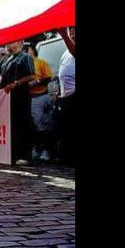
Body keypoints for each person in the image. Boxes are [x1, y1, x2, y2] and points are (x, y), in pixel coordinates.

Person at [0, 40, 37, 165]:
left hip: (21, 95)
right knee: (12, 125)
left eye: (11, 42)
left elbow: (32, 76)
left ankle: (25, 155)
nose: (8, 44)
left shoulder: (25, 57)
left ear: (20, 42)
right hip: (9, 98)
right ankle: (13, 154)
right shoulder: (8, 60)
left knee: (23, 123)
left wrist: (16, 83)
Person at [26, 43, 54, 162]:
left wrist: (37, 82)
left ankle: (47, 149)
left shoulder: (40, 62)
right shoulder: (26, 64)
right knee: (35, 125)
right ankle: (39, 148)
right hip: (32, 97)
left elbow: (49, 77)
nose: (25, 52)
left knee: (44, 124)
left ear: (32, 50)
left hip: (42, 95)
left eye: (27, 50)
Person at [55, 27, 76, 165]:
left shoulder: (70, 48)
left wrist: (64, 36)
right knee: (66, 128)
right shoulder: (65, 53)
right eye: (70, 30)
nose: (72, 32)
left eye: (75, 29)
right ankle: (67, 156)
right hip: (65, 96)